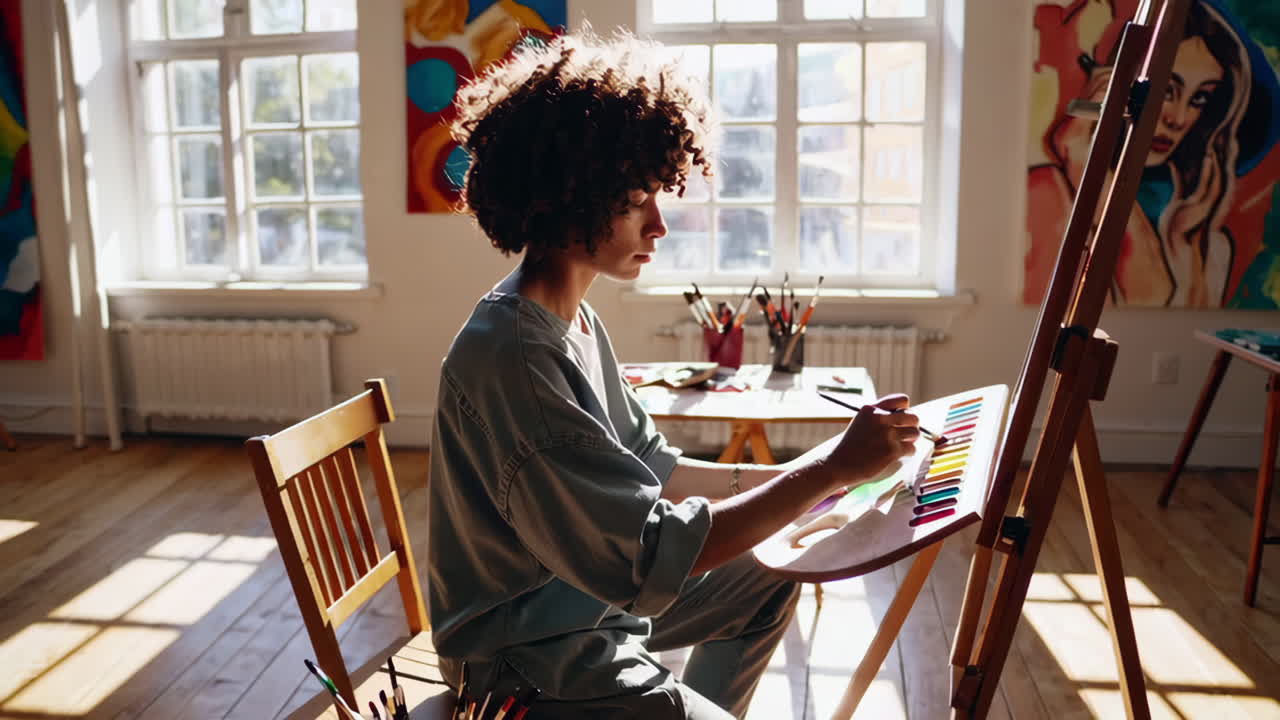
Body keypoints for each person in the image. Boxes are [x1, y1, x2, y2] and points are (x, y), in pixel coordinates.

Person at [426, 31, 921, 719]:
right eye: (635, 200)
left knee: (769, 573)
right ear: (569, 194)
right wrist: (829, 472)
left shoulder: (569, 321)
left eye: (657, 194)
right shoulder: (515, 357)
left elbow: (657, 469)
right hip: (525, 662)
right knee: (742, 561)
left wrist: (819, 472)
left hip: (581, 613)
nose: (659, 224)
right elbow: (646, 554)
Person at [1024, 0, 1249, 307]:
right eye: (1167, 90)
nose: (1178, 118)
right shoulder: (1048, 191)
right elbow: (1148, 291)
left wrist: (1183, 236)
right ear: (1117, 88)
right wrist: (1086, 164)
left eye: (1199, 98)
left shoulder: (1206, 237)